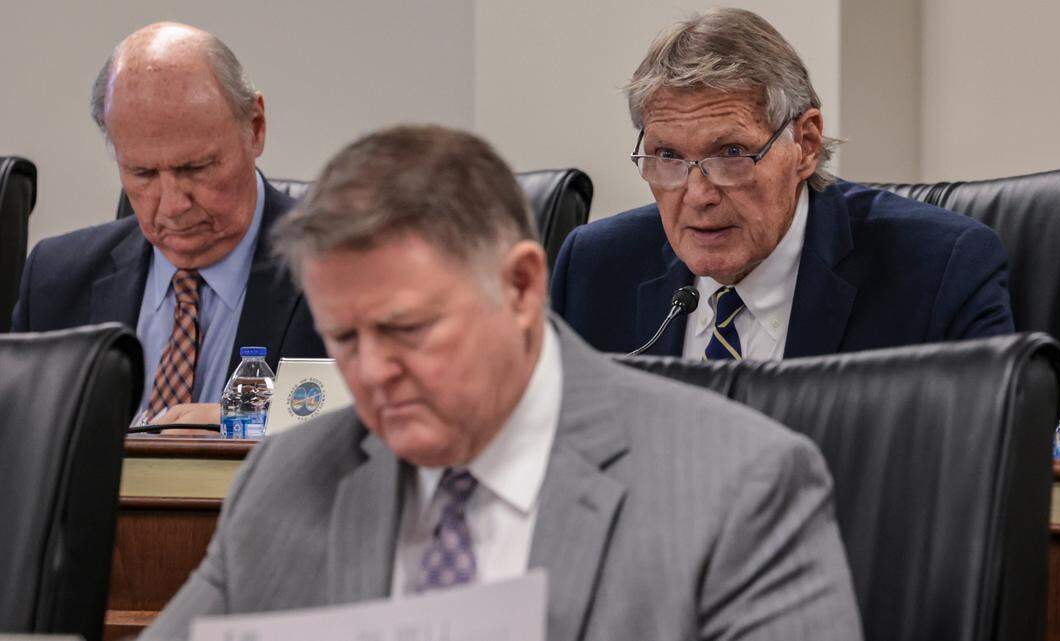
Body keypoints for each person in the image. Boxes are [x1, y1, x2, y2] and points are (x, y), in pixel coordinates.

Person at [141, 125, 862, 641]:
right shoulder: (291, 478)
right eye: (346, 337)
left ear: (520, 286)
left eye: (406, 329)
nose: (372, 372)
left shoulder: (738, 486)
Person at [551, 8, 1014, 360]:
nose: (697, 195)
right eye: (668, 156)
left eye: (731, 153)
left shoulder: (938, 272)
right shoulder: (595, 270)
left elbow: (983, 469)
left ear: (805, 145)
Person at [11, 22, 324, 426]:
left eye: (196, 167)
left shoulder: (343, 269)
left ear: (256, 128)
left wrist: (246, 423)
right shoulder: (55, 281)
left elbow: (380, 428)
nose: (173, 206)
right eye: (142, 173)